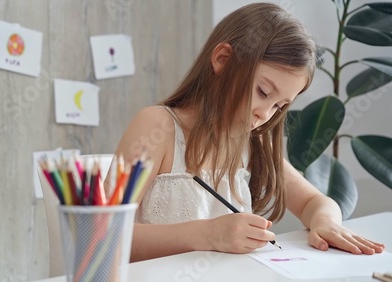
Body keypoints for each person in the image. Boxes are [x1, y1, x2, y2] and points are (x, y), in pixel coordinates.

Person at [107, 2, 385, 262]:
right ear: (223, 59)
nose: (265, 114)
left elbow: (315, 201)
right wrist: (207, 234)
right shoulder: (158, 127)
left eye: (279, 105)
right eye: (263, 92)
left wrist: (326, 222)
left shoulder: (251, 142)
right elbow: (104, 235)